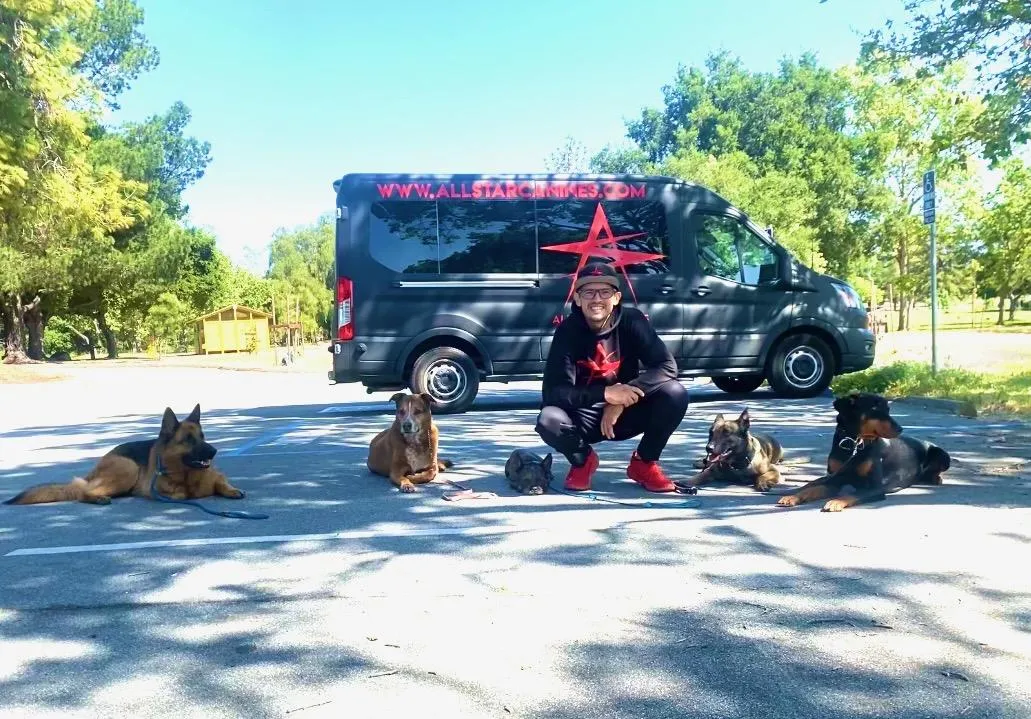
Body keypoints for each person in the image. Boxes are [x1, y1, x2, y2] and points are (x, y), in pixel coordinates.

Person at [534, 261, 689, 493]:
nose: (597, 299)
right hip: (584, 416)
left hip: (624, 414)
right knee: (549, 420)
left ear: (616, 297)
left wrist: (621, 398)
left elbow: (666, 366)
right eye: (588, 292)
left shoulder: (633, 321)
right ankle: (583, 460)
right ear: (577, 299)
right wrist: (606, 394)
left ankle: (644, 463)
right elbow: (554, 392)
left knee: (675, 393)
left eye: (604, 292)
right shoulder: (567, 331)